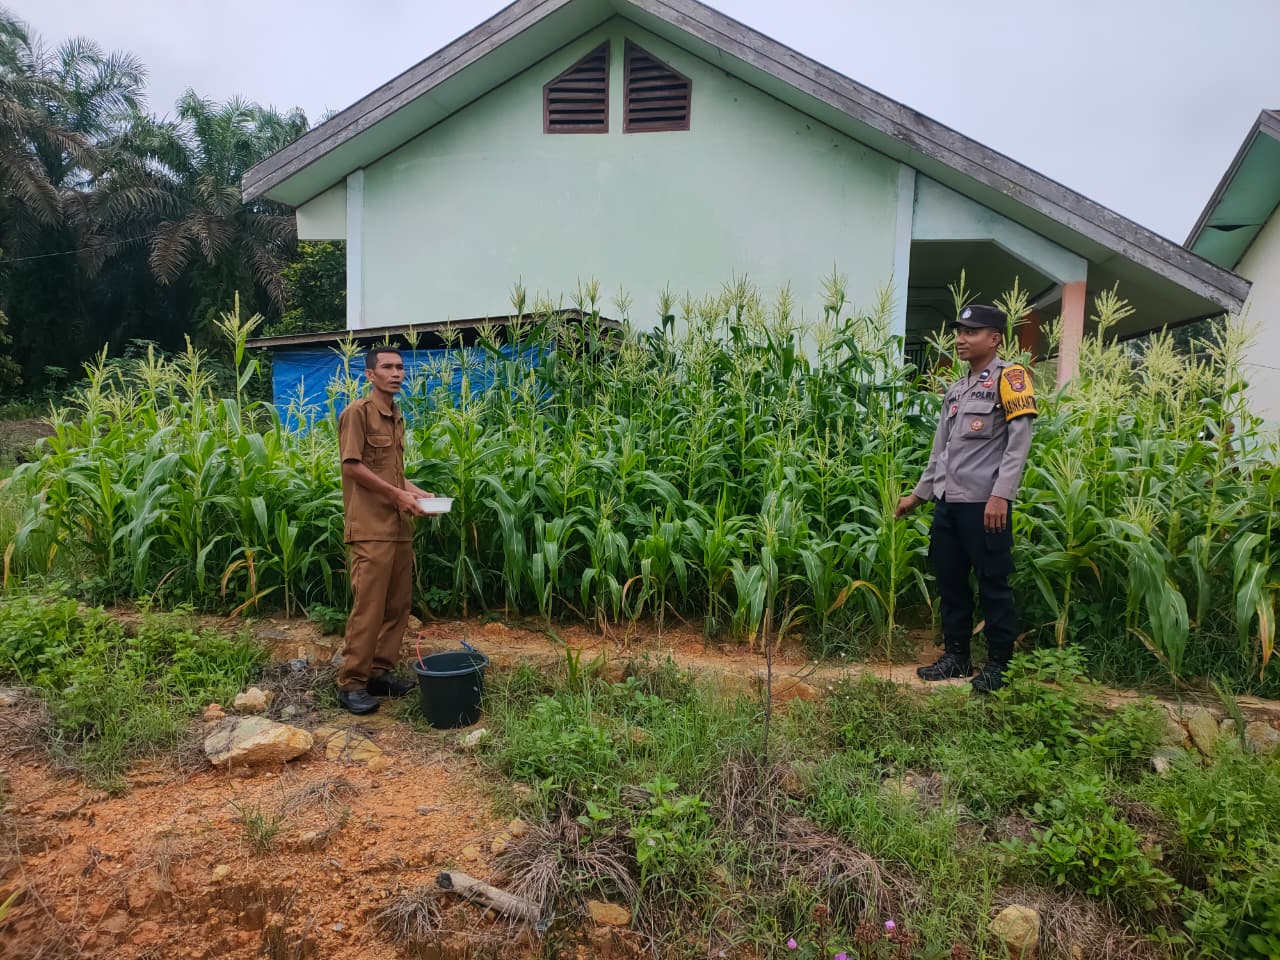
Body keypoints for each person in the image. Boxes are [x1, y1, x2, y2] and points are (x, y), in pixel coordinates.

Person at [894, 304, 1037, 693]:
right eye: (959, 331)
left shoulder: (1012, 378)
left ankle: (999, 665)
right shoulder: (957, 390)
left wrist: (1000, 497)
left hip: (984, 506)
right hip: (948, 503)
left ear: (995, 338)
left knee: (993, 583)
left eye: (972, 332)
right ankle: (957, 657)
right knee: (951, 582)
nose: (961, 338)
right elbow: (940, 451)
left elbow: (1018, 444)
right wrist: (919, 496)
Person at [336, 346, 436, 714]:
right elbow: (352, 467)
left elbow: (391, 472)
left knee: (397, 606)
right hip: (370, 528)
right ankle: (352, 683)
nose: (396, 373)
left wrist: (416, 494)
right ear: (370, 375)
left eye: (400, 367)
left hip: (398, 527)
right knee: (369, 607)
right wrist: (396, 494)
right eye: (387, 367)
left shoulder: (396, 416)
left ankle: (379, 673)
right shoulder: (357, 414)